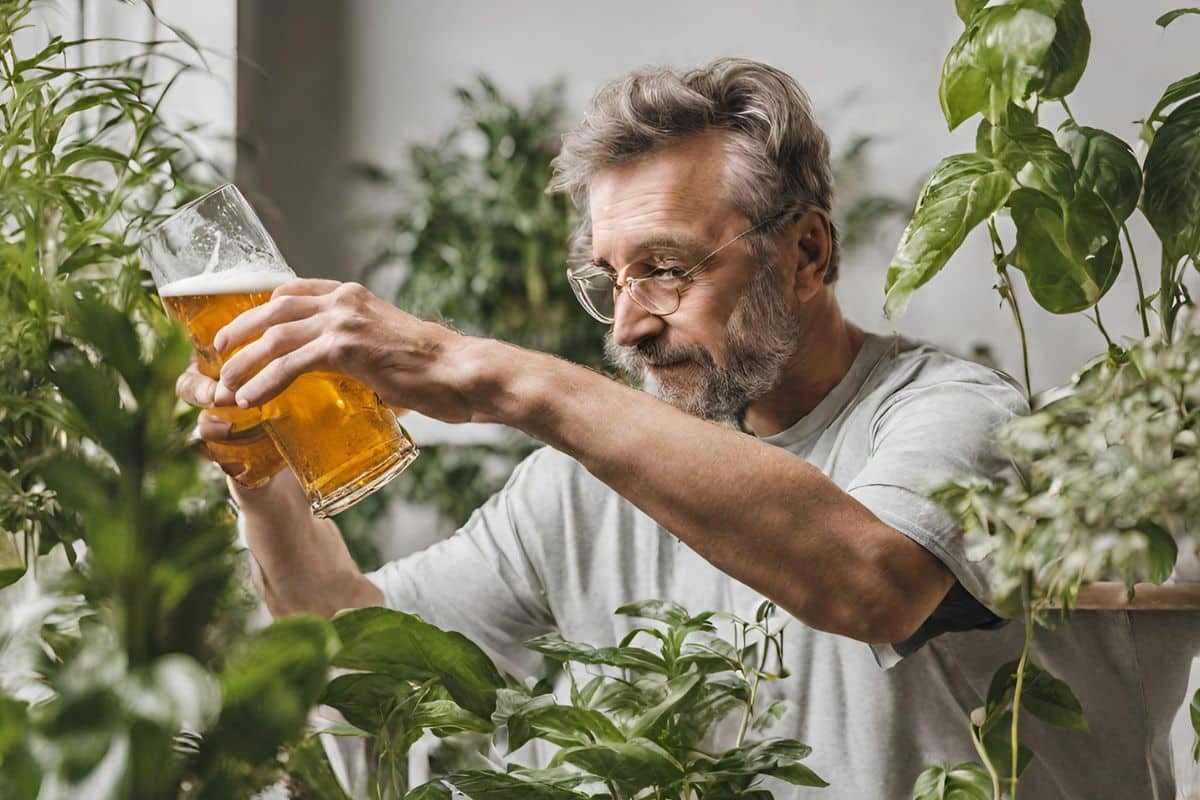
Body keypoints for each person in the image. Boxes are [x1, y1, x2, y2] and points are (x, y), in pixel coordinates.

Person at [175, 59, 1184, 798]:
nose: (626, 323)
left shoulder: (956, 413)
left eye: (665, 267)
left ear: (806, 251)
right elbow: (361, 651)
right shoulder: (585, 483)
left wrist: (475, 370)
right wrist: (261, 475)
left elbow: (871, 578)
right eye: (608, 280)